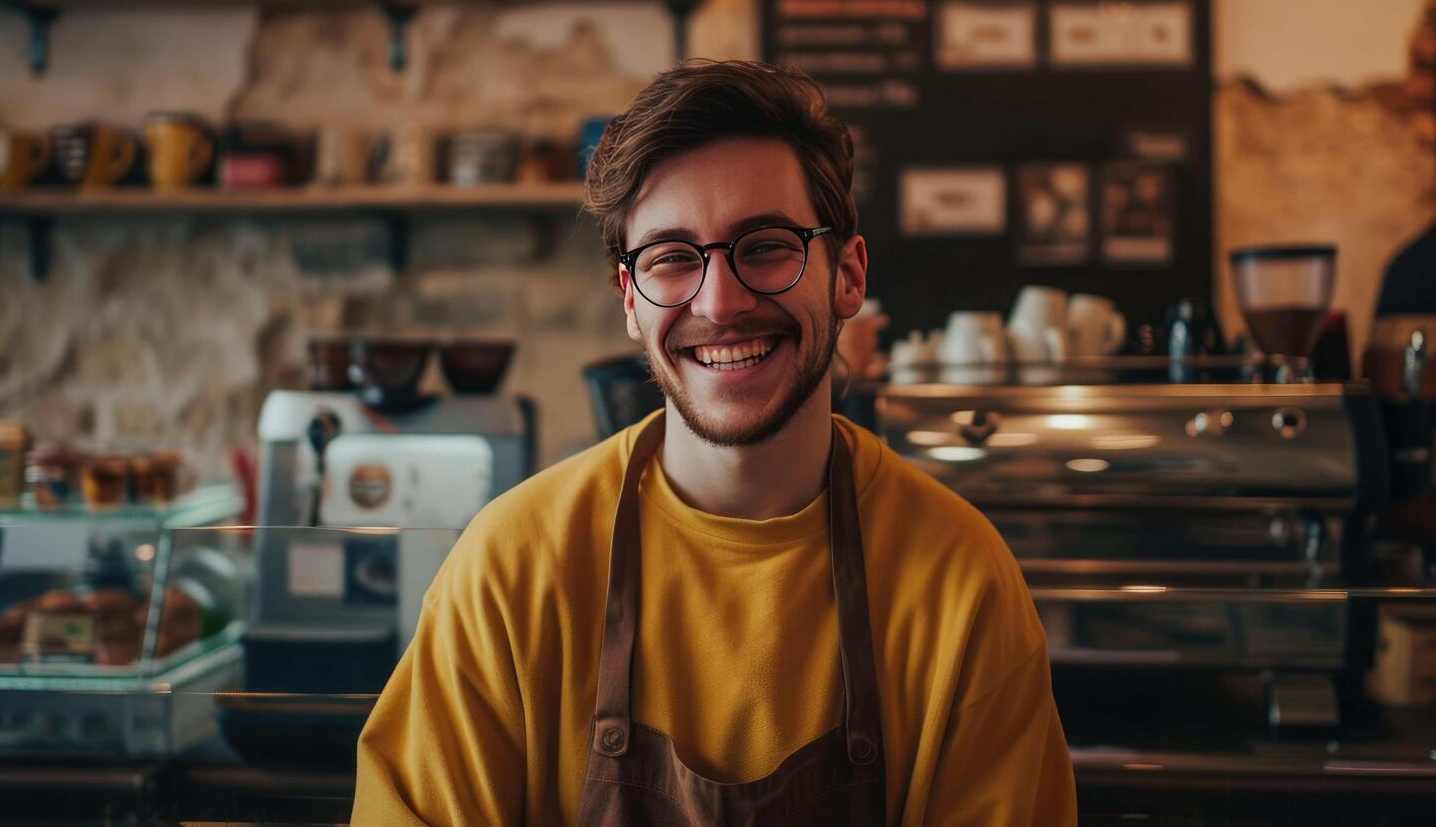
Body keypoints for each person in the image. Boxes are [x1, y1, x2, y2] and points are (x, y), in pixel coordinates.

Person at [353, 59, 1076, 825]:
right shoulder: (511, 569)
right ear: (630, 301)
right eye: (671, 258)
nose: (721, 302)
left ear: (849, 277)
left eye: (766, 245)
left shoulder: (962, 585)